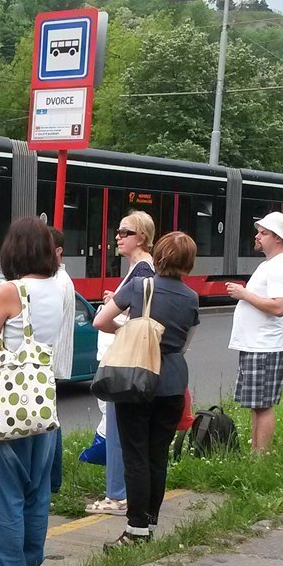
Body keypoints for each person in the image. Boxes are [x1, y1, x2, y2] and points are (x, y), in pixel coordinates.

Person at [0, 217, 69, 566]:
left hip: (6, 404)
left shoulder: (12, 290)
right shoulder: (59, 288)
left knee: (4, 489)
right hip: (42, 400)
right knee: (36, 489)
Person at [93, 232, 200, 548]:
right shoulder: (192, 297)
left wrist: (127, 331)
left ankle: (135, 529)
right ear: (189, 262)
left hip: (138, 379)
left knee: (135, 455)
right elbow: (185, 345)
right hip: (173, 383)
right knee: (157, 456)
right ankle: (150, 523)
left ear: (160, 255)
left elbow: (101, 321)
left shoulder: (140, 286)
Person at [86, 211, 155, 517]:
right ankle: (124, 493)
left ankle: (117, 495)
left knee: (117, 429)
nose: (118, 237)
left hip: (124, 359)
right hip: (130, 358)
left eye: (125, 232)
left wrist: (120, 324)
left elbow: (122, 320)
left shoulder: (142, 270)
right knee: (124, 428)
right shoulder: (140, 269)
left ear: (141, 237)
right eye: (118, 231)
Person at [226, 211, 283, 452]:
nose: (257, 236)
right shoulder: (271, 264)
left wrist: (244, 294)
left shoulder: (280, 266)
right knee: (257, 405)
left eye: (263, 233)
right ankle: (256, 456)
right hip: (257, 344)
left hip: (265, 345)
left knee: (263, 405)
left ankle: (260, 459)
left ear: (278, 238)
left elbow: (279, 307)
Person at [48, 227, 78, 497]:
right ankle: (53, 480)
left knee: (49, 422)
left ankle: (53, 481)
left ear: (58, 251)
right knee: (51, 419)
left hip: (50, 359)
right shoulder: (59, 279)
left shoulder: (57, 281)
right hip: (54, 358)